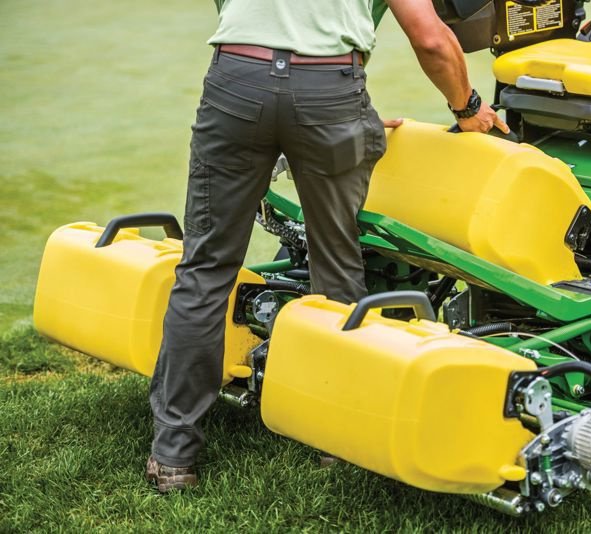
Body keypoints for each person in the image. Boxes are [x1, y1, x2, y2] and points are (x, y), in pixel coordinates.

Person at [146, 0, 510, 492]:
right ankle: (335, 441)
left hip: (237, 79)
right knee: (337, 271)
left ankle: (173, 456)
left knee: (206, 269)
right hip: (329, 90)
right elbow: (430, 38)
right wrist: (467, 109)